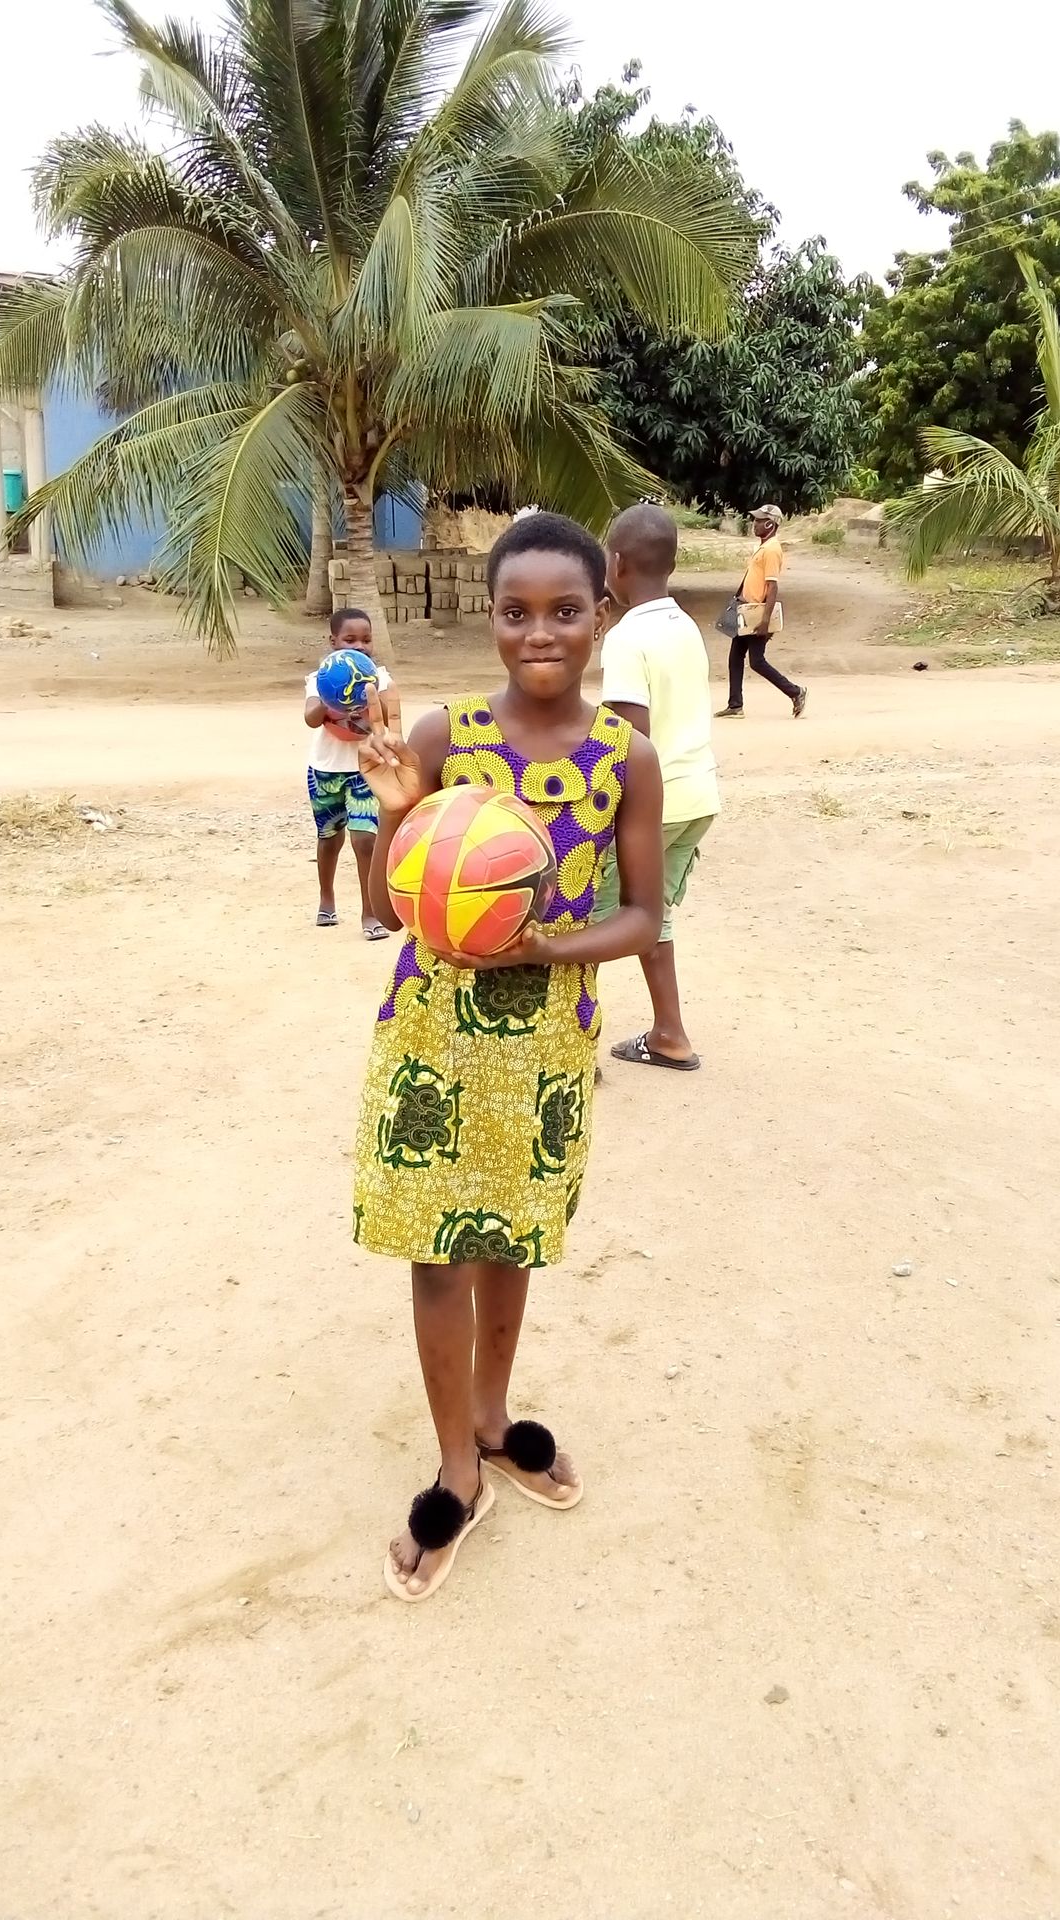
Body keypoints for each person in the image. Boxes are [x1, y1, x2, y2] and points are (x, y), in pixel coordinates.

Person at [352, 511, 664, 1601]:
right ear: (489, 618)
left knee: (511, 1243)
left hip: (545, 1049)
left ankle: (492, 1418)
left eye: (565, 611)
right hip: (433, 1042)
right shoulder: (447, 737)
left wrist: (546, 949)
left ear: (601, 616)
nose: (541, 632)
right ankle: (457, 1468)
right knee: (438, 1255)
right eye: (516, 611)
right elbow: (390, 908)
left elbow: (643, 916)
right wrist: (398, 813)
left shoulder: (626, 757)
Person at [593, 502, 720, 1072]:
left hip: (652, 804)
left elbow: (629, 738)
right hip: (697, 797)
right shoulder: (685, 626)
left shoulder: (627, 637)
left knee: (585, 921)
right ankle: (669, 1034)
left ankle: (571, 1049)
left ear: (617, 563)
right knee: (653, 913)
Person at [303, 607, 391, 937]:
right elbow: (311, 718)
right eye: (350, 640)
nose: (359, 646)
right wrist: (332, 699)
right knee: (329, 838)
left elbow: (387, 713)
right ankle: (327, 899)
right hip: (326, 769)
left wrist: (368, 697)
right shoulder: (321, 677)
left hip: (366, 770)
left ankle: (370, 913)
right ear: (333, 641)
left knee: (365, 840)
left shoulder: (379, 678)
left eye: (366, 640)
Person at [716, 505, 807, 719]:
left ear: (770, 524)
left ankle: (795, 692)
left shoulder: (772, 550)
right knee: (736, 657)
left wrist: (765, 621)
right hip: (747, 611)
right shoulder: (764, 547)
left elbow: (772, 586)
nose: (754, 524)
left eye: (759, 520)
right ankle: (735, 705)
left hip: (756, 613)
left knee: (757, 661)